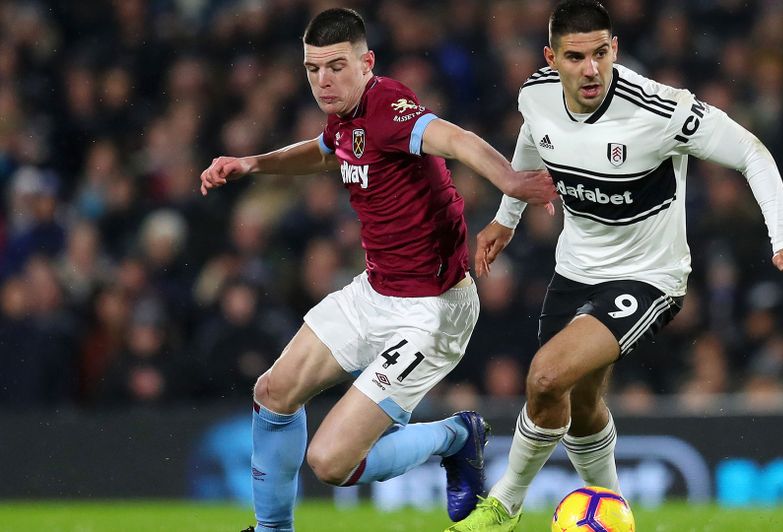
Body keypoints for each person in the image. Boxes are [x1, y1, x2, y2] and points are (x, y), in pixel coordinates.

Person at [448, 1, 783, 530]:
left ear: (616, 50)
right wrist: (508, 217)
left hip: (648, 277)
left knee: (545, 376)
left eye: (601, 53)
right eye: (575, 56)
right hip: (575, 268)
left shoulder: (660, 110)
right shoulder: (535, 92)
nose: (590, 69)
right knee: (578, 402)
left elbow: (752, 152)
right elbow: (534, 136)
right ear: (551, 58)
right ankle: (612, 511)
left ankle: (504, 505)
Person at [198, 8, 556, 532]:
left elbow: (453, 139)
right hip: (375, 291)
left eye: (336, 66)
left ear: (366, 63)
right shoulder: (344, 115)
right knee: (272, 392)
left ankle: (458, 436)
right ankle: (273, 529)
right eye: (313, 69)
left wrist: (511, 180)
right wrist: (255, 163)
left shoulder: (388, 105)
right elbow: (326, 152)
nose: (323, 80)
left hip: (431, 312)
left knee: (331, 463)